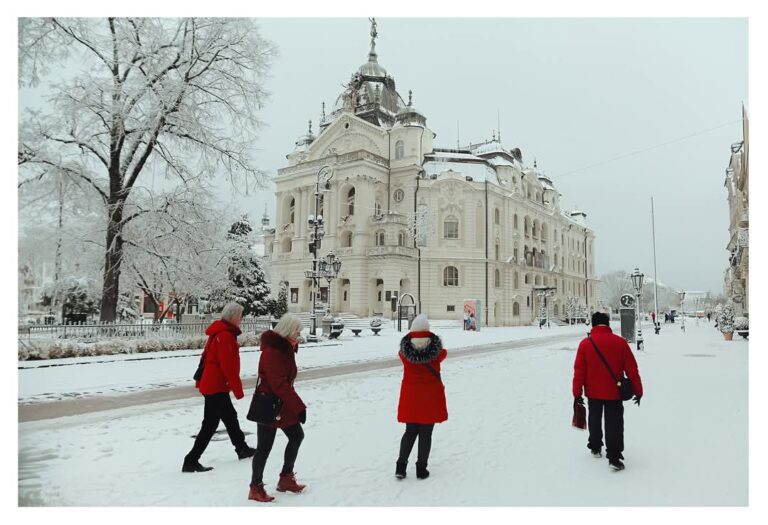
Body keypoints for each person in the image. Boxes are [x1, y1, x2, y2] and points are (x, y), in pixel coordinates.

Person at [182, 302, 255, 473]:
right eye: (240, 316)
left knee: (229, 417)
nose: (241, 319)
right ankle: (191, 459)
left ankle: (241, 448)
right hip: (216, 386)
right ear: (233, 317)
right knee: (210, 425)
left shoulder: (219, 332)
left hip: (212, 383)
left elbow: (206, 357)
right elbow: (228, 366)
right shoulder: (225, 336)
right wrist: (237, 389)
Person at [572, 311, 643, 471]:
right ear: (608, 324)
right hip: (614, 392)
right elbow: (632, 369)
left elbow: (579, 371)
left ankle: (595, 446)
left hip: (593, 392)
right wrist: (638, 391)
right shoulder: (620, 343)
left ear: (593, 325)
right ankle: (614, 457)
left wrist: (577, 393)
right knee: (615, 423)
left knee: (594, 418)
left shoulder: (585, 344)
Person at [248, 313, 307, 503]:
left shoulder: (286, 349)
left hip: (282, 403)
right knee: (264, 447)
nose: (299, 335)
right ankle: (255, 487)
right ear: (289, 331)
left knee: (297, 436)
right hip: (270, 403)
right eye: (297, 332)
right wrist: (298, 406)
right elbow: (278, 383)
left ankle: (286, 478)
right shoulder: (273, 351)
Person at [395, 314, 448, 480]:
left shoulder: (405, 353)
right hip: (430, 398)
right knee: (426, 434)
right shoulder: (437, 352)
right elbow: (444, 353)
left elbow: (401, 354)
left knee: (409, 432)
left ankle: (401, 467)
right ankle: (421, 469)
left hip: (411, 397)